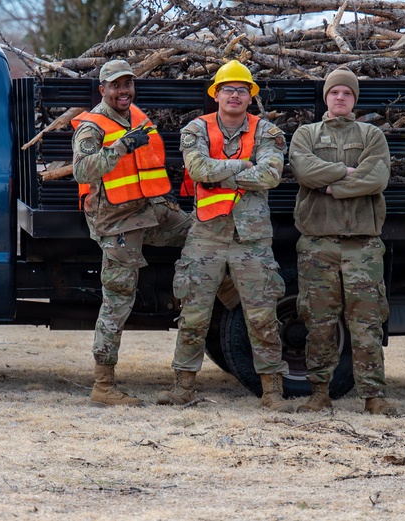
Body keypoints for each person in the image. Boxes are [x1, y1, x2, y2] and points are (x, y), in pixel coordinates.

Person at [156, 60, 293, 412]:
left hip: (252, 238)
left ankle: (273, 392)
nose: (234, 95)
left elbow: (272, 175)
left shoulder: (267, 131)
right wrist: (244, 166)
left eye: (242, 90)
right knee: (194, 314)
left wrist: (220, 175)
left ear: (251, 97)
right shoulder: (194, 129)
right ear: (216, 95)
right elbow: (198, 169)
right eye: (228, 89)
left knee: (262, 316)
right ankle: (182, 388)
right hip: (207, 234)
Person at [71, 59, 191, 407]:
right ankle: (103, 386)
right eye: (116, 85)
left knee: (203, 235)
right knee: (118, 301)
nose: (124, 91)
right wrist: (121, 146)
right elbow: (83, 170)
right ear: (103, 90)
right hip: (117, 224)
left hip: (148, 212)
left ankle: (206, 289)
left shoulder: (137, 117)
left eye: (128, 84)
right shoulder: (92, 127)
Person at [287, 67, 399, 416]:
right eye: (334, 92)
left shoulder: (371, 135)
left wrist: (331, 185)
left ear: (354, 100)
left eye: (347, 94)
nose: (340, 98)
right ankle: (319, 392)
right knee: (318, 321)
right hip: (317, 243)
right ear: (326, 97)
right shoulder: (306, 134)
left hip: (362, 245)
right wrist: (347, 171)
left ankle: (373, 396)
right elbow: (303, 170)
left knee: (366, 322)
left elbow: (377, 176)